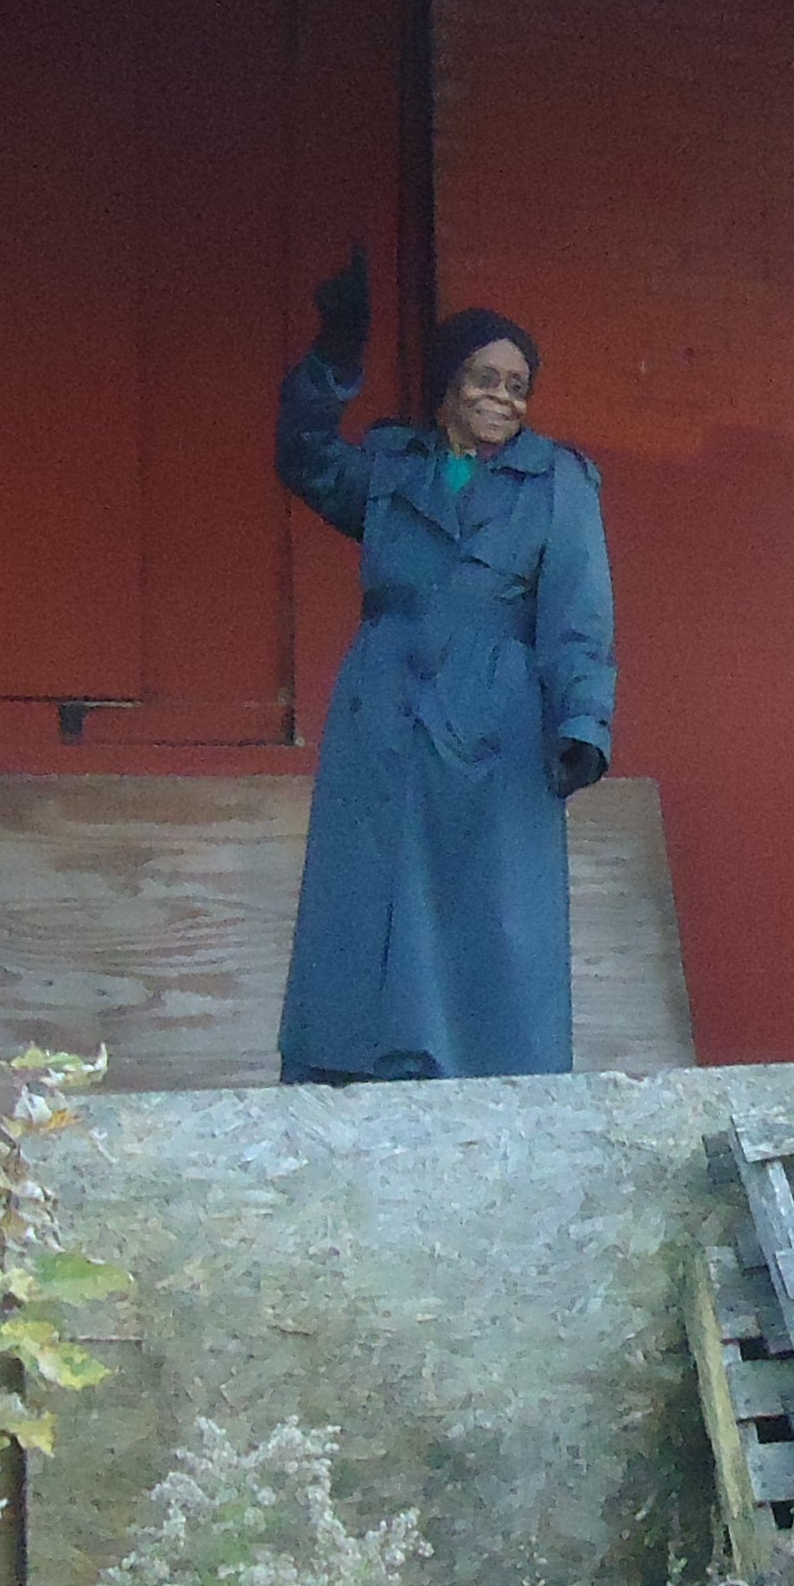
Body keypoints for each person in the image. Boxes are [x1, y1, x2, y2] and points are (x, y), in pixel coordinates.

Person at [268, 249, 617, 1083]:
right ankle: (353, 1068)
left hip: (496, 715)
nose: (502, 398)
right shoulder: (392, 469)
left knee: (492, 910)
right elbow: (304, 455)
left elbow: (579, 608)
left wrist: (582, 721)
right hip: (383, 707)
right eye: (484, 379)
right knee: (369, 895)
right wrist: (334, 358)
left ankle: (493, 1081)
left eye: (516, 385)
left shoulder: (556, 481)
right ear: (447, 385)